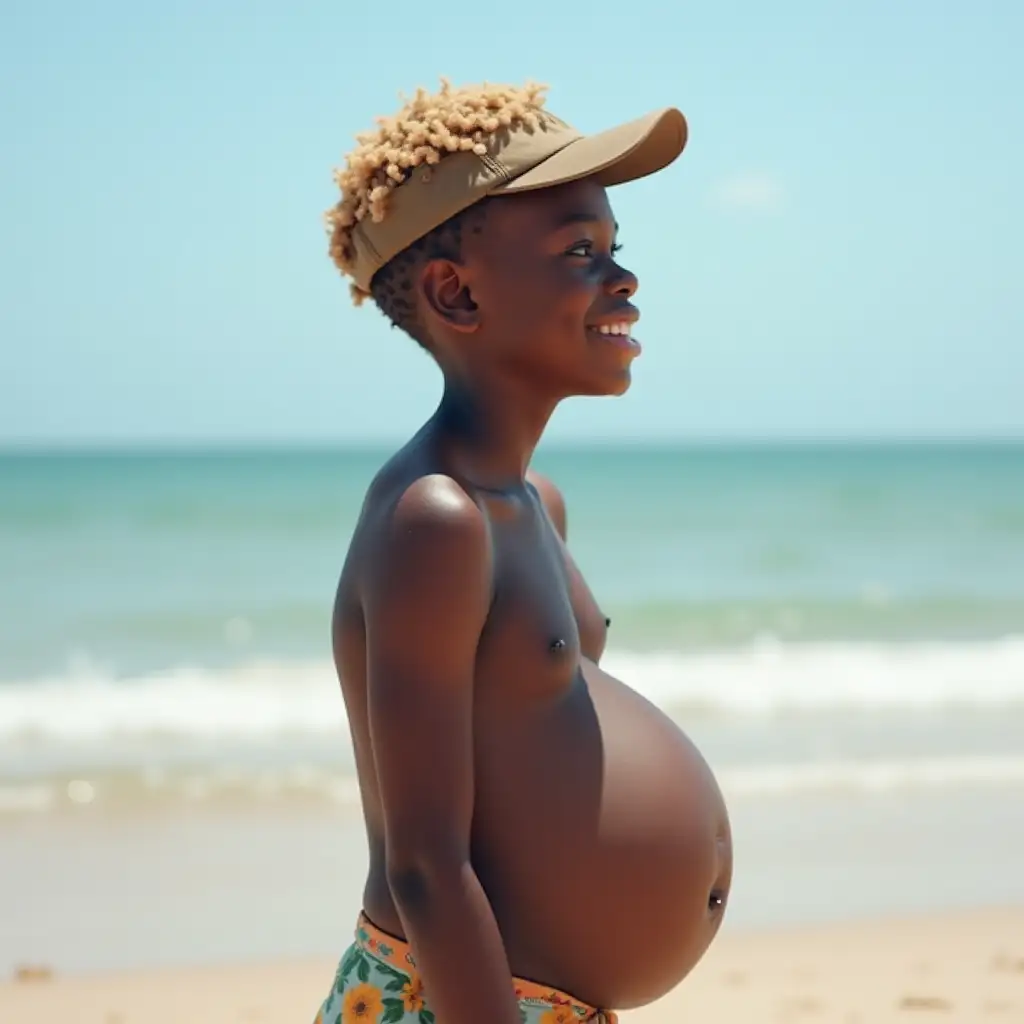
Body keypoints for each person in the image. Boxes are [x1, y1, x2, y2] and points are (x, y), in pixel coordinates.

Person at [317, 80, 732, 1024]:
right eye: (580, 252)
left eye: (615, 248)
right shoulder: (436, 519)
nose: (621, 279)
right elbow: (425, 866)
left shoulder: (532, 505)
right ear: (456, 292)